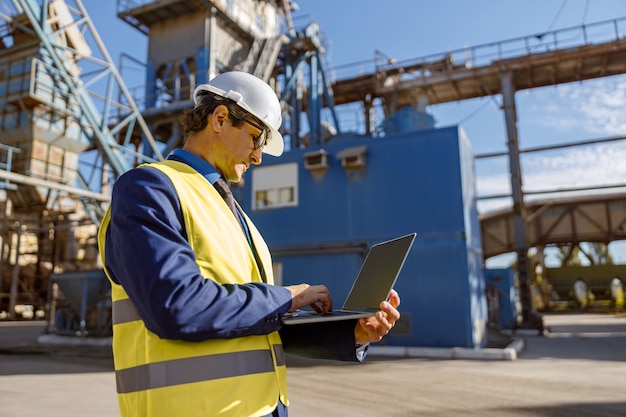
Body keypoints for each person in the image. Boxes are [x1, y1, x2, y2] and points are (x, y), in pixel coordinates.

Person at [97, 71, 401, 417]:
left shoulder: (237, 216)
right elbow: (175, 306)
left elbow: (254, 324)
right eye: (256, 139)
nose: (258, 156)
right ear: (221, 118)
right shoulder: (149, 188)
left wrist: (354, 333)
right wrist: (286, 297)